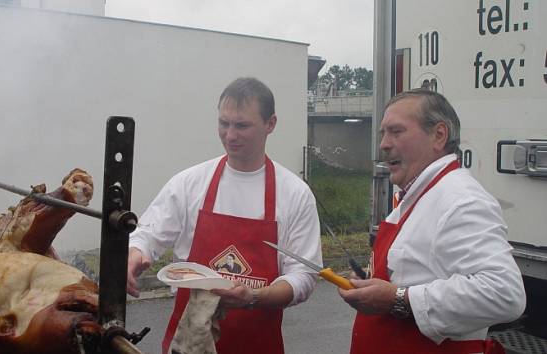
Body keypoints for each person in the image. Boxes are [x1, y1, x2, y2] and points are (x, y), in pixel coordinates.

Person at [127, 77, 322, 354]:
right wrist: (135, 252)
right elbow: (146, 234)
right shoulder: (189, 183)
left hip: (257, 344)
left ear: (271, 124)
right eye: (224, 123)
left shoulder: (294, 194)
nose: (230, 135)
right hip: (188, 344)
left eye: (242, 125)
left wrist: (253, 296)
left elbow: (303, 276)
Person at [338, 89, 526, 354]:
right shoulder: (416, 195)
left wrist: (398, 298)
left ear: (439, 135)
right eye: (383, 133)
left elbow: (504, 294)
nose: (384, 144)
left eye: (396, 131)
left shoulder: (461, 200)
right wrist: (368, 283)